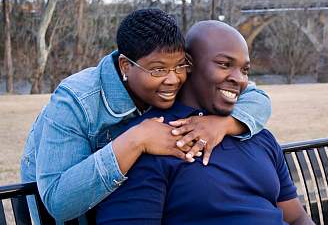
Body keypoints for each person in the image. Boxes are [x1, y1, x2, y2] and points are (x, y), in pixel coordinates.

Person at [20, 9, 272, 222]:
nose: (173, 79)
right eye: (158, 70)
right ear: (126, 66)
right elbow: (58, 201)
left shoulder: (171, 74)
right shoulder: (76, 100)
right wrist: (136, 140)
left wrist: (222, 124)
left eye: (180, 66)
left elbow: (257, 98)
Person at [95, 20, 313, 225]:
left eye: (245, 69)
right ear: (187, 64)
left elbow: (297, 218)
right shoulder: (149, 141)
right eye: (224, 64)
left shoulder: (256, 135)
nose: (239, 79)